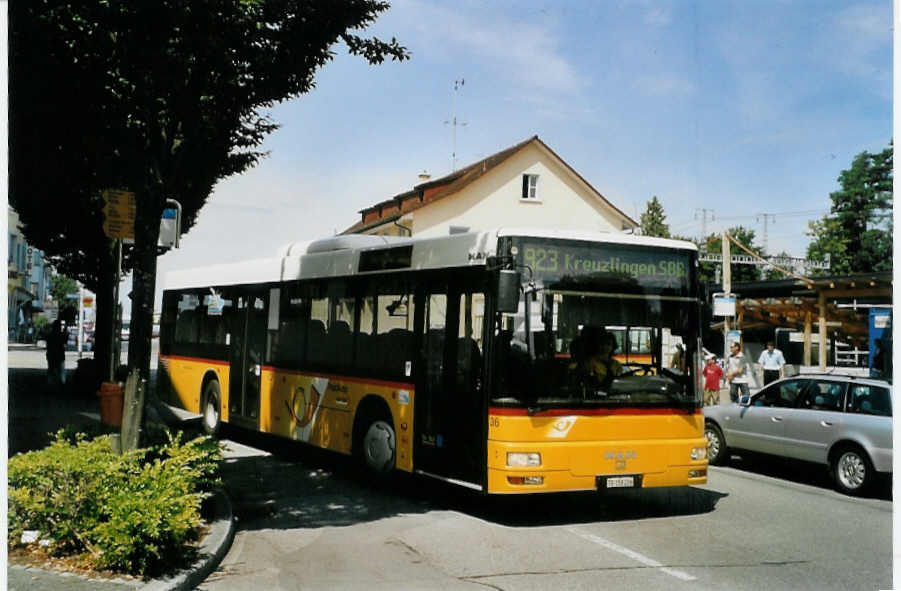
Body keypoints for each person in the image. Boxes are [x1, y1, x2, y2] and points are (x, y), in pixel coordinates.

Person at [45, 319, 68, 387]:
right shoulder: (62, 335)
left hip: (51, 355)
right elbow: (65, 344)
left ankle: (49, 384)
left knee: (50, 370)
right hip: (60, 355)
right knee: (62, 370)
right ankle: (63, 383)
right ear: (60, 326)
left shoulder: (50, 335)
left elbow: (48, 345)